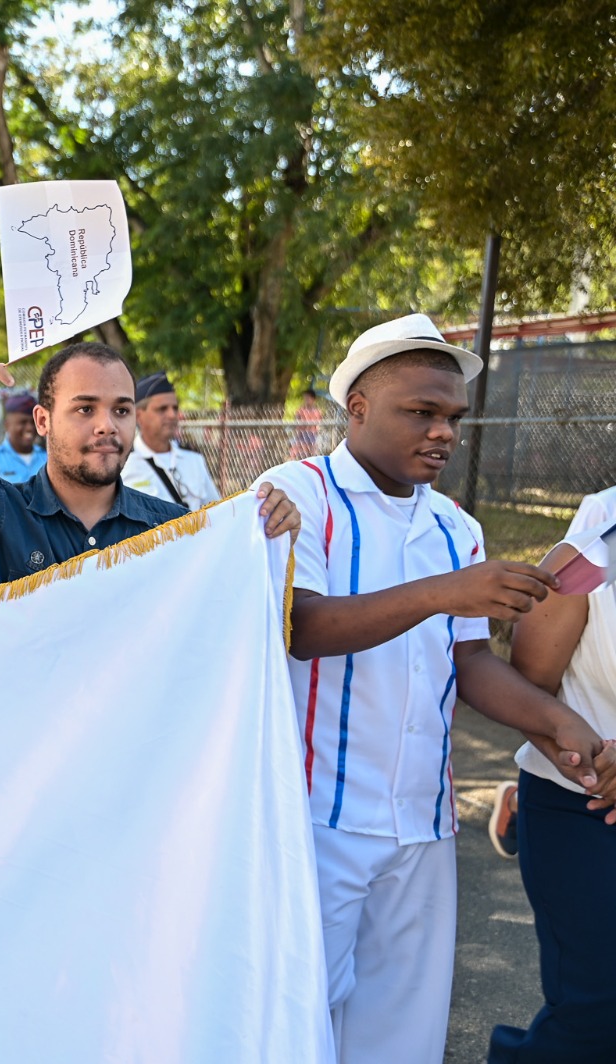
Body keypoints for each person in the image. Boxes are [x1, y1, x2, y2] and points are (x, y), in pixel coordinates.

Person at [253, 313, 616, 1064]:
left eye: (453, 416)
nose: (443, 431)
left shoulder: (455, 526)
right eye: (420, 411)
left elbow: (472, 664)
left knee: (400, 1037)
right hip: (315, 819)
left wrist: (558, 725)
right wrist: (442, 592)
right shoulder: (296, 493)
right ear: (357, 409)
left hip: (422, 822)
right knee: (292, 1028)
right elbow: (301, 628)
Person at [0, 340, 300, 598]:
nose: (107, 424)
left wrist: (273, 535)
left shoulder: (177, 532)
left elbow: (243, 612)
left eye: (121, 409)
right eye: (85, 408)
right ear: (43, 420)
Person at [486, 485, 616, 1063]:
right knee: (598, 1012)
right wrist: (579, 755)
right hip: (586, 801)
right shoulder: (605, 524)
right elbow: (530, 679)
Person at [121, 371, 220, 509]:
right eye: (162, 409)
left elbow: (216, 509)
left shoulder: (193, 459)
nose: (172, 415)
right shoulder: (124, 464)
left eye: (175, 408)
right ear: (139, 416)